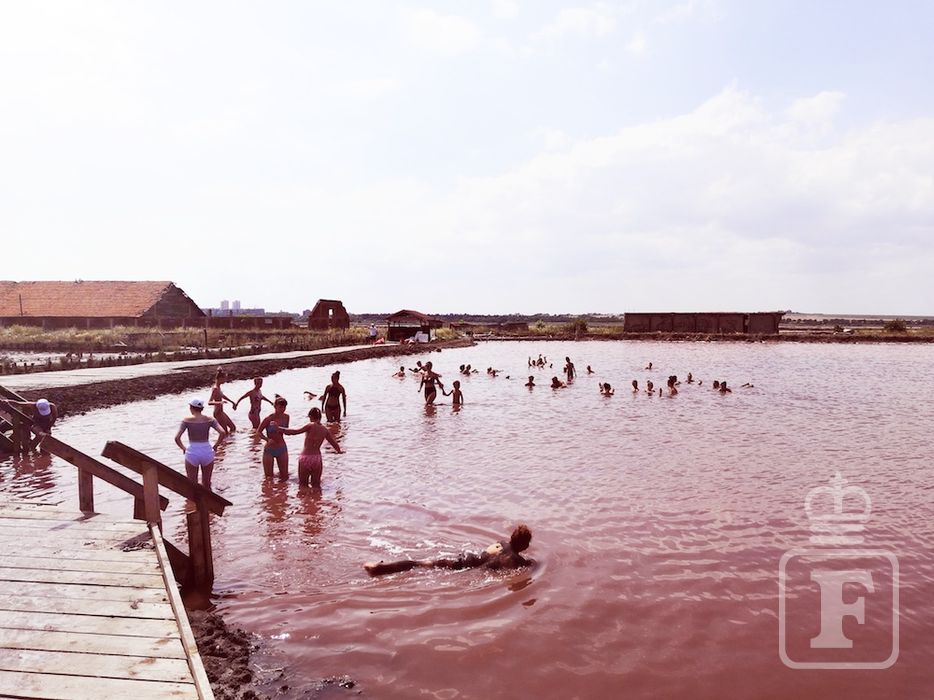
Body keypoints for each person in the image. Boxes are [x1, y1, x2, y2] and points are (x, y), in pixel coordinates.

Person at [364, 524, 533, 577]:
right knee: (418, 565)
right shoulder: (518, 561)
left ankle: (381, 568)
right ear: (525, 546)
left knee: (419, 563)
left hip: (464, 558)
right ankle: (379, 570)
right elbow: (529, 564)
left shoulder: (500, 544)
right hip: (463, 568)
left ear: (511, 537)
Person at [280, 407, 343, 488]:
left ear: (311, 416)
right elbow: (334, 444)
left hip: (306, 457)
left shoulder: (310, 425)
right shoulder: (325, 430)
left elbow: (295, 432)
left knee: (303, 485)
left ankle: (305, 496)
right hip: (317, 458)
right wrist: (339, 451)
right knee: (316, 485)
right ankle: (316, 496)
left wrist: (279, 428)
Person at [174, 398, 226, 489]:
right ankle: (208, 498)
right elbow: (222, 432)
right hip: (207, 451)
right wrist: (216, 445)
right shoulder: (210, 419)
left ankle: (194, 498)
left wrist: (183, 448)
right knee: (207, 484)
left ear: (191, 408)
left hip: (192, 452)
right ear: (201, 408)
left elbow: (177, 438)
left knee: (192, 485)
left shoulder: (186, 420)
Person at [258, 396, 291, 479]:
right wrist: (267, 439)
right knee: (268, 478)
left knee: (284, 476)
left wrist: (278, 428)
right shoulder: (268, 419)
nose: (282, 409)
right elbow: (258, 432)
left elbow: (286, 431)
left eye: (284, 407)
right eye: (280, 407)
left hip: (282, 448)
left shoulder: (286, 417)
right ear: (275, 406)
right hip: (269, 449)